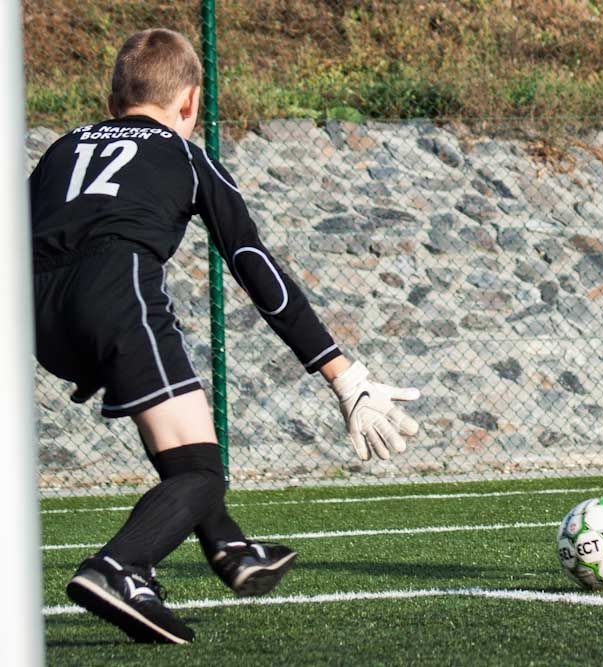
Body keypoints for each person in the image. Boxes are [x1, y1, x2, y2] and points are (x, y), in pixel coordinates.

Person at [30, 28, 420, 644]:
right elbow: (256, 268)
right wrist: (345, 377)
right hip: (118, 291)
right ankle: (120, 568)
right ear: (190, 103)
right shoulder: (188, 155)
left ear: (113, 100)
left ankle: (232, 550)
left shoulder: (59, 149)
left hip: (39, 312)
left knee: (182, 454)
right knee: (203, 473)